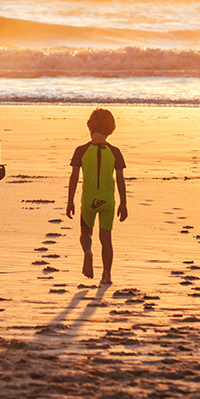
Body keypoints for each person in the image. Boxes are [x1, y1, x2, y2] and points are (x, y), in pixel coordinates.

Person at [65, 108, 128, 284]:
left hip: (88, 200)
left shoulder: (81, 150)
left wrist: (70, 201)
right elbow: (121, 181)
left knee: (86, 233)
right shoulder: (115, 152)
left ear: (90, 125)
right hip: (108, 200)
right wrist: (123, 204)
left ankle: (88, 252)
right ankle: (106, 274)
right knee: (106, 239)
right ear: (111, 128)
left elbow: (74, 178)